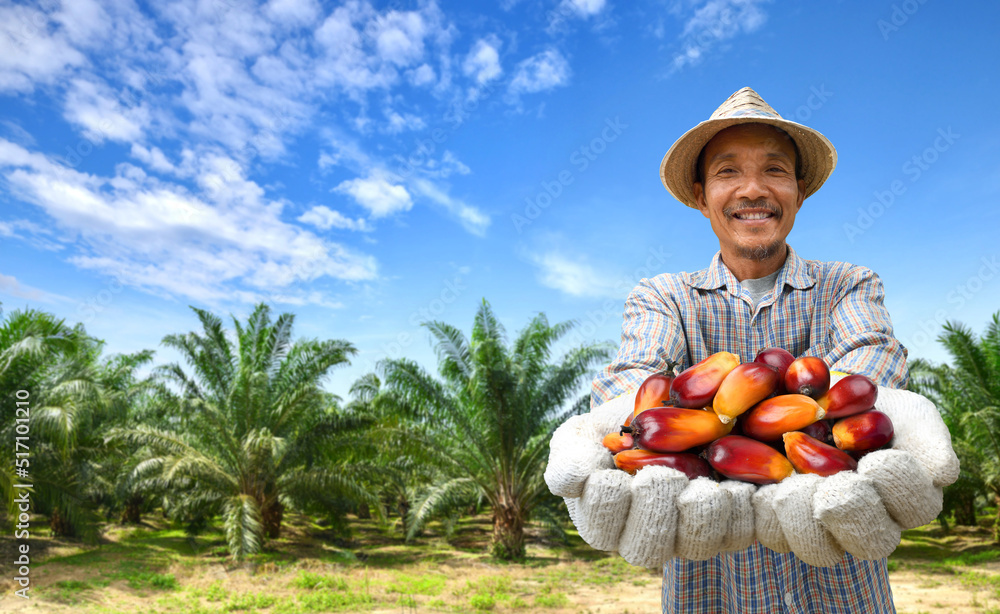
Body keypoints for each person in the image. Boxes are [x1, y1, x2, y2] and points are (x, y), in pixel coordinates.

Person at [543, 88, 959, 614]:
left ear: (799, 190)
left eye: (775, 170)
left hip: (842, 580)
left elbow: (867, 359)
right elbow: (639, 375)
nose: (753, 189)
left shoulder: (848, 284)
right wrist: (619, 423)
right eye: (727, 172)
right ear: (700, 195)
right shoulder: (663, 296)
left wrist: (872, 406)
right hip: (709, 582)